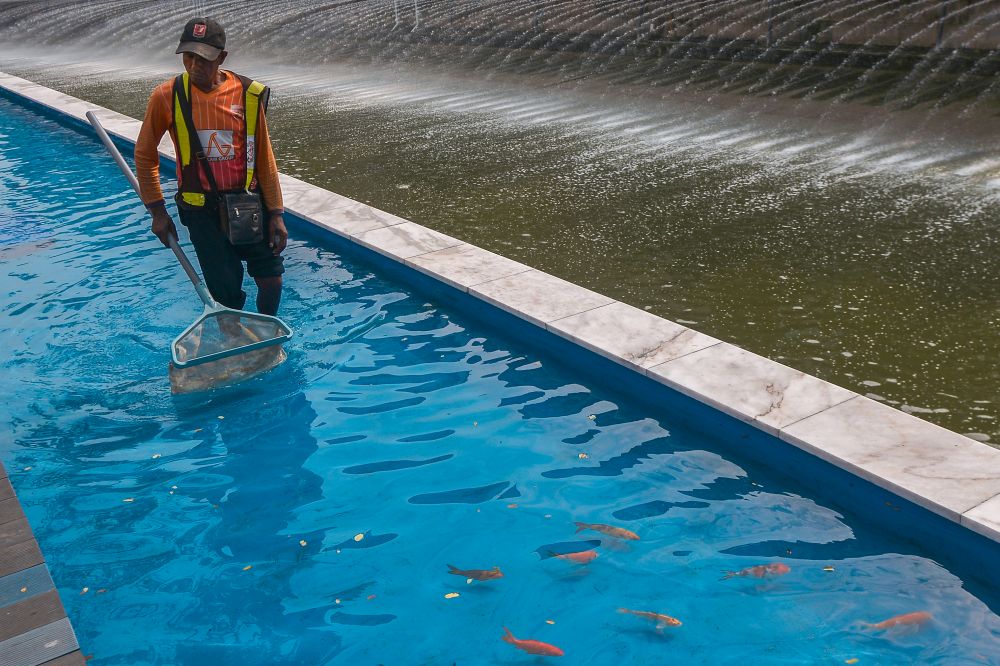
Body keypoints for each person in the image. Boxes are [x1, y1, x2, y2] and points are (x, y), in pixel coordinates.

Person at [135, 17, 288, 316]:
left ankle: (265, 331)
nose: (194, 66)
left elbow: (264, 158)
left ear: (222, 57)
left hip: (249, 204)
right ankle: (236, 341)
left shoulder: (248, 93)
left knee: (272, 280)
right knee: (226, 296)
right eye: (188, 57)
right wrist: (157, 211)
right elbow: (144, 154)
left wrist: (277, 213)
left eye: (203, 59)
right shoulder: (167, 96)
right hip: (201, 213)